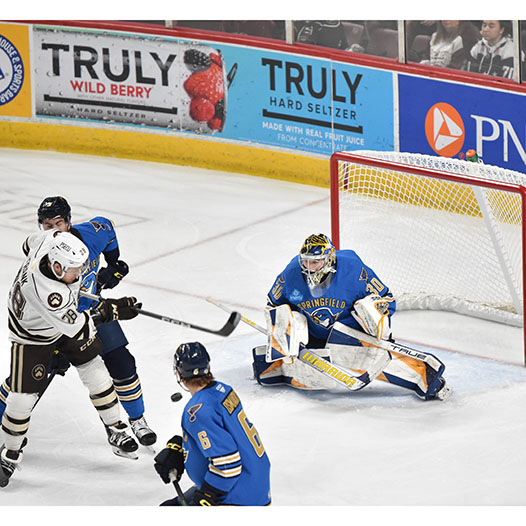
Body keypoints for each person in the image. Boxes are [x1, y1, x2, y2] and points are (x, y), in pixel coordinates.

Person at [0, 196, 156, 447]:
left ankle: (136, 421)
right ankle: (6, 431)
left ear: (69, 222)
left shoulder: (92, 234)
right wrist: (111, 311)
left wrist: (112, 267)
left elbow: (108, 228)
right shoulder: (45, 263)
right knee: (24, 387)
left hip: (88, 309)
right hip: (52, 323)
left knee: (122, 363)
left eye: (58, 223)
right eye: (47, 225)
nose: (53, 231)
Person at [0, 229, 140, 487]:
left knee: (96, 372)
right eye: (75, 270)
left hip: (63, 320)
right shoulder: (50, 294)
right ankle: (9, 454)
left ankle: (116, 430)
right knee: (21, 401)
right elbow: (79, 326)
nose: (80, 274)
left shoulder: (48, 239)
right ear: (56, 265)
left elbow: (27, 243)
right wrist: (115, 310)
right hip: (32, 336)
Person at [252, 233, 449, 400]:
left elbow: (387, 300)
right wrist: (289, 337)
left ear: (329, 258)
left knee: (369, 316)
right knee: (287, 319)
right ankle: (276, 365)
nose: (309, 267)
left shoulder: (354, 270)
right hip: (312, 337)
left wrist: (374, 321)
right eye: (306, 261)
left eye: (315, 261)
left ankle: (424, 376)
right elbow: (273, 305)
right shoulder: (290, 274)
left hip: (350, 335)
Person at [153, 342, 271, 506]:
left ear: (179, 374)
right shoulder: (223, 390)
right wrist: (182, 448)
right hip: (253, 482)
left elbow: (228, 465)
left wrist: (208, 495)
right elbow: (224, 434)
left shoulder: (198, 412)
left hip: (237, 497)